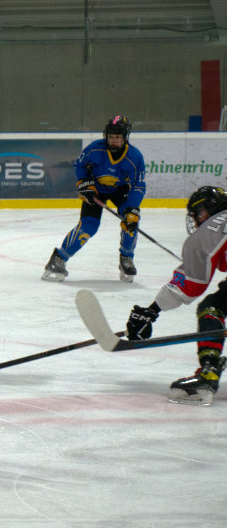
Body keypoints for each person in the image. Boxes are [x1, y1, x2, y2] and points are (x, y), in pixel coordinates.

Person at [125, 185, 227, 406]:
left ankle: (208, 373)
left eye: (198, 213)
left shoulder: (214, 227)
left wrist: (152, 311)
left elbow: (192, 283)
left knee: (212, 308)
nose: (197, 220)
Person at [42, 115, 146, 283]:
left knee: (131, 221)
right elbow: (80, 165)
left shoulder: (135, 157)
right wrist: (84, 184)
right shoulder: (94, 149)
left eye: (118, 137)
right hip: (96, 190)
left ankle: (126, 258)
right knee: (88, 227)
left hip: (120, 190)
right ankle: (58, 259)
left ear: (125, 138)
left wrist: (132, 208)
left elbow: (138, 186)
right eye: (111, 137)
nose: (113, 141)